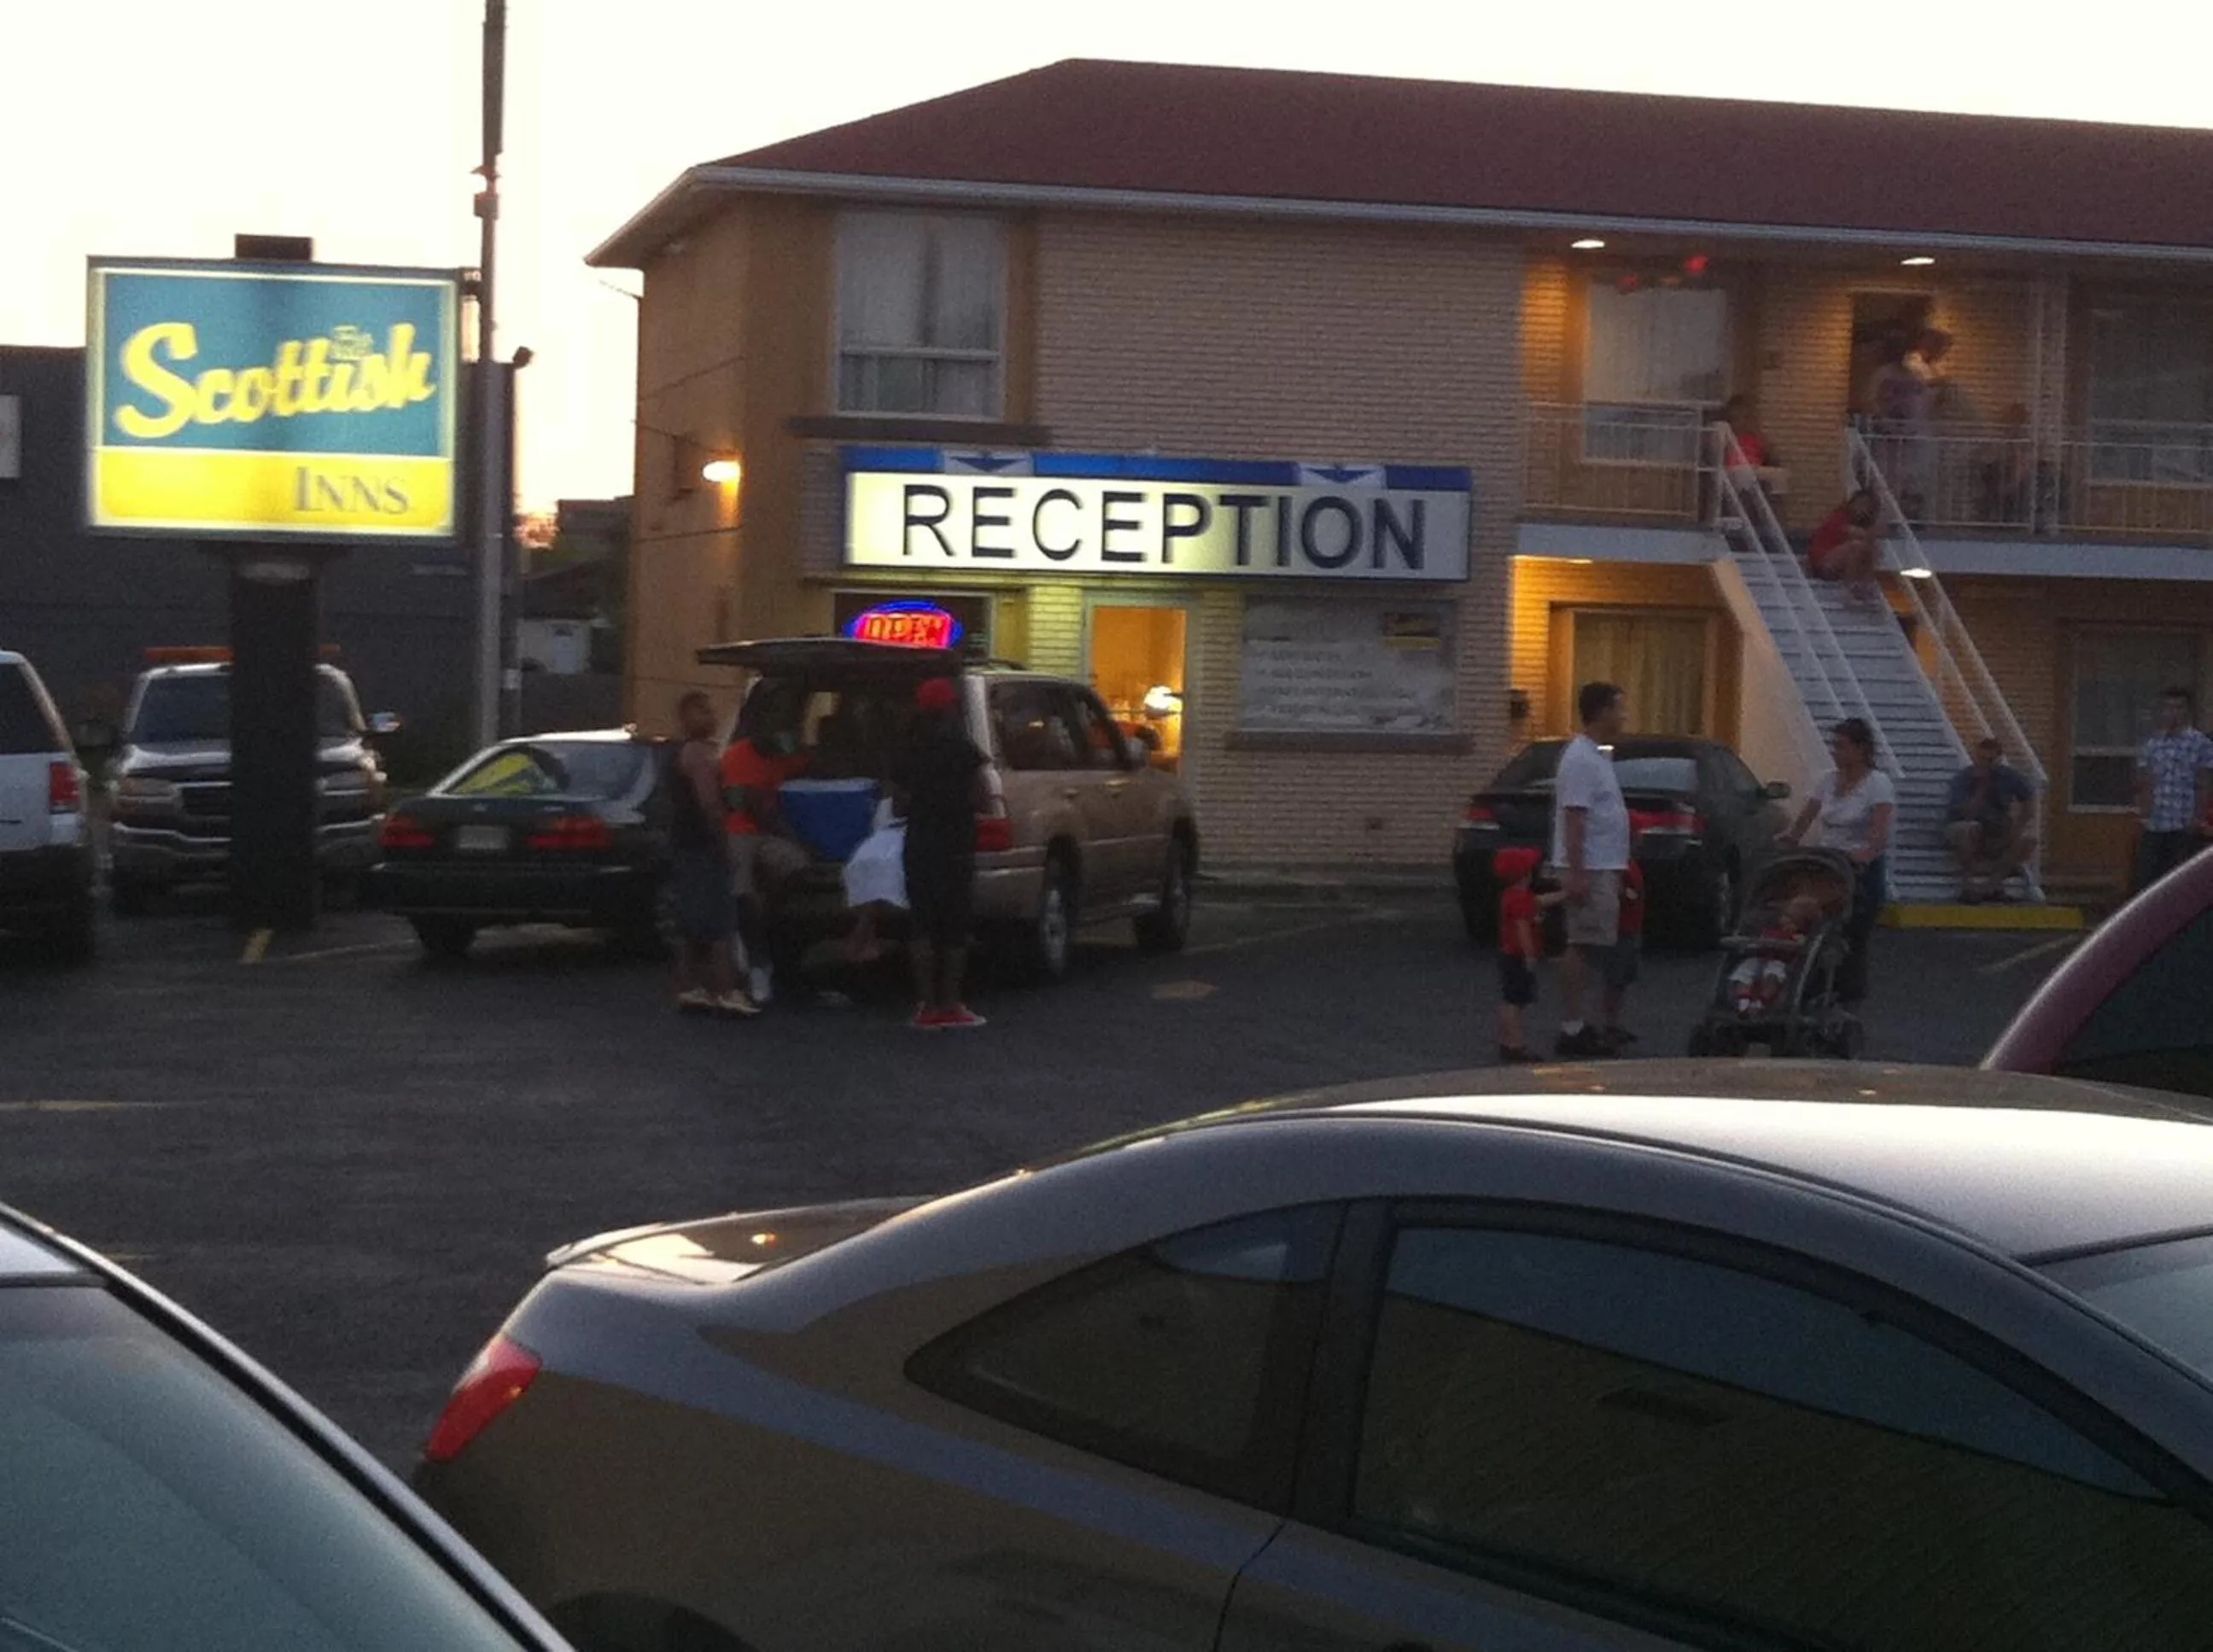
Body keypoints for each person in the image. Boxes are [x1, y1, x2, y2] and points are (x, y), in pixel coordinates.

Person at [888, 677, 990, 1030]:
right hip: (957, 842)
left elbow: (898, 806)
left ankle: (926, 1004)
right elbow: (983, 799)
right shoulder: (964, 748)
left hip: (920, 842)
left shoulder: (908, 749)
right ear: (951, 707)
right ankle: (951, 1002)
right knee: (954, 926)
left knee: (922, 924)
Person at [1778, 718, 1894, 1005]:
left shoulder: (1877, 784)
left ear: (1861, 749)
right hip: (1827, 862)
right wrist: (1789, 839)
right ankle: (1805, 982)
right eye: (1834, 746)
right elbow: (1805, 819)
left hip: (1858, 868)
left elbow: (1879, 834)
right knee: (1808, 919)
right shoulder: (1827, 780)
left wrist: (1864, 854)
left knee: (1851, 935)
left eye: (1842, 746)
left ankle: (1846, 992)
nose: (1835, 752)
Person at [1550, 680, 1632, 1059]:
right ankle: (1572, 1027)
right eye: (1618, 708)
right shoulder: (1580, 759)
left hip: (1604, 864)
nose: (1623, 716)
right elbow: (1575, 816)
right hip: (1591, 867)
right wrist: (1577, 871)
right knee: (1582, 944)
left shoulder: (1598, 756)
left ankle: (1583, 1023)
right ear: (1601, 712)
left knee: (1592, 944)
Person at [667, 692, 755, 1018]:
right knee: (720, 921)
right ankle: (727, 990)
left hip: (684, 844)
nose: (710, 716)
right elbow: (710, 805)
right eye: (701, 711)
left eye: (708, 709)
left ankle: (690, 988)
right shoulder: (700, 754)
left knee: (690, 921)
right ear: (686, 717)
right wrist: (724, 844)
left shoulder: (679, 753)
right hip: (704, 846)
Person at [721, 698, 813, 1005]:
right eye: (771, 727)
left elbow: (813, 767)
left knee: (798, 866)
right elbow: (753, 807)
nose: (777, 732)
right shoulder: (736, 756)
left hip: (769, 832)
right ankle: (757, 964)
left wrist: (802, 751)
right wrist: (793, 836)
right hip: (739, 829)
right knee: (742, 890)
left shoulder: (781, 754)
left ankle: (766, 913)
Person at [2133, 687, 2213, 894]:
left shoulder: (2201, 744)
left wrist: (2197, 818)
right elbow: (2144, 780)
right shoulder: (2152, 744)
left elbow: (2204, 782)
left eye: (2178, 707)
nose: (2173, 713)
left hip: (2183, 825)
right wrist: (2144, 813)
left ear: (2188, 711)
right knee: (2146, 881)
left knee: (2177, 884)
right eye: (2168, 707)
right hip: (2155, 824)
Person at [1946, 738, 2038, 902]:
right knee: (1969, 829)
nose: (1986, 764)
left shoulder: (2008, 777)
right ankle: (1968, 886)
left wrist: (2018, 825)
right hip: (1965, 824)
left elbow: (2029, 801)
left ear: (1998, 759)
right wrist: (1982, 787)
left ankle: (1993, 885)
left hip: (1997, 827)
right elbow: (1966, 813)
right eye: (1982, 759)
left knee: (2027, 841)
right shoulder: (1963, 778)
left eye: (1991, 760)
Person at [1492, 847, 1562, 1064]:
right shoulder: (1521, 899)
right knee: (1516, 1001)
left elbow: (1540, 901)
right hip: (1517, 956)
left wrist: (1565, 895)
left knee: (1511, 1000)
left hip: (1509, 955)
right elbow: (1522, 928)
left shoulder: (1513, 895)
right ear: (1526, 873)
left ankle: (1506, 1041)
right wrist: (1530, 955)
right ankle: (1516, 1045)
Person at [1727, 894, 1825, 1015]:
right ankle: (1743, 1002)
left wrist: (1793, 941)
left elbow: (1799, 947)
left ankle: (1761, 1003)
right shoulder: (1769, 931)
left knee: (1772, 974)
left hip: (1779, 961)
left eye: (1787, 917)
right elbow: (1758, 941)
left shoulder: (1798, 936)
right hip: (1759, 958)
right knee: (1745, 971)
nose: (1782, 918)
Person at [1807, 490, 1884, 606]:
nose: (1863, 509)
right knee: (1856, 546)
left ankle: (1865, 586)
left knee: (1873, 549)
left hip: (1843, 566)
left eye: (1867, 506)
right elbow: (1854, 532)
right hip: (1824, 565)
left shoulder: (1865, 523)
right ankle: (1849, 588)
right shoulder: (1839, 517)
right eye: (1861, 504)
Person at [1601, 854, 1646, 1053]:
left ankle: (1613, 1023)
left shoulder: (1629, 862)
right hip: (1619, 929)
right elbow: (1617, 889)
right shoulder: (1617, 863)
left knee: (1622, 981)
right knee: (1613, 979)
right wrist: (1628, 894)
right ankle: (1607, 1025)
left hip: (1630, 927)